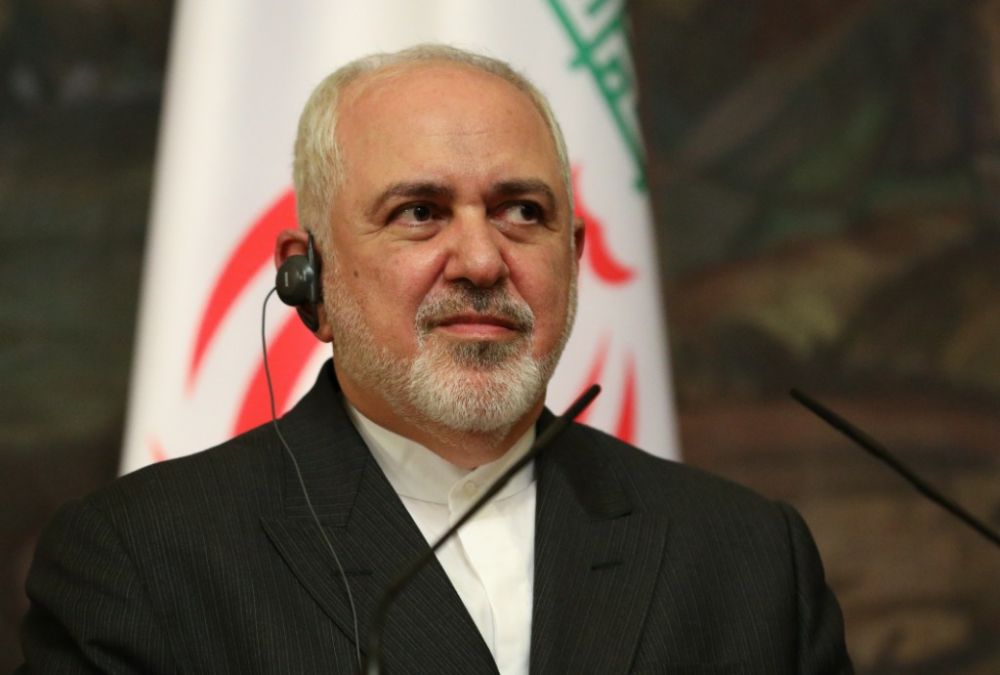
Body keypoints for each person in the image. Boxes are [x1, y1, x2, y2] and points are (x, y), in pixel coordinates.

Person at [18, 44, 852, 674]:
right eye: (419, 212)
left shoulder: (746, 558)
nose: (482, 261)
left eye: (521, 211)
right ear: (309, 277)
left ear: (574, 257)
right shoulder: (144, 561)